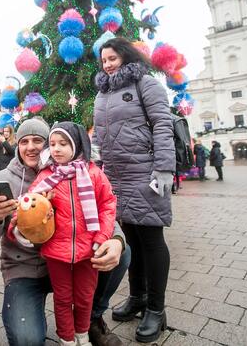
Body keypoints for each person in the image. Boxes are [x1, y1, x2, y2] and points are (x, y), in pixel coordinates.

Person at [0, 117, 129, 346]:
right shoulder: (1, 180)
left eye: (38, 140)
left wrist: (116, 239)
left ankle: (91, 320)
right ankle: (61, 329)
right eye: (24, 141)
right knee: (27, 340)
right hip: (26, 268)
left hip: (76, 257)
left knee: (123, 252)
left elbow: (100, 209)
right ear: (17, 145)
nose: (31, 147)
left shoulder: (80, 173)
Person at [93, 37, 175, 343]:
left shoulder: (147, 84)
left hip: (146, 172)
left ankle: (156, 309)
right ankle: (138, 296)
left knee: (151, 238)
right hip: (115, 176)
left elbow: (162, 124)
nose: (108, 64)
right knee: (130, 240)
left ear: (125, 56)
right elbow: (100, 135)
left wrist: (164, 167)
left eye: (112, 58)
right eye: (103, 60)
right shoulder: (102, 92)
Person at [16, 122, 116, 346]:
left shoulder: (93, 174)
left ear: (78, 144)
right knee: (62, 299)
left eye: (63, 144)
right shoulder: (46, 177)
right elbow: (27, 204)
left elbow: (108, 205)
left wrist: (102, 237)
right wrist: (20, 225)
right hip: (56, 251)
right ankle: (67, 338)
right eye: (52, 144)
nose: (56, 149)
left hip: (89, 249)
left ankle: (82, 333)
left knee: (84, 297)